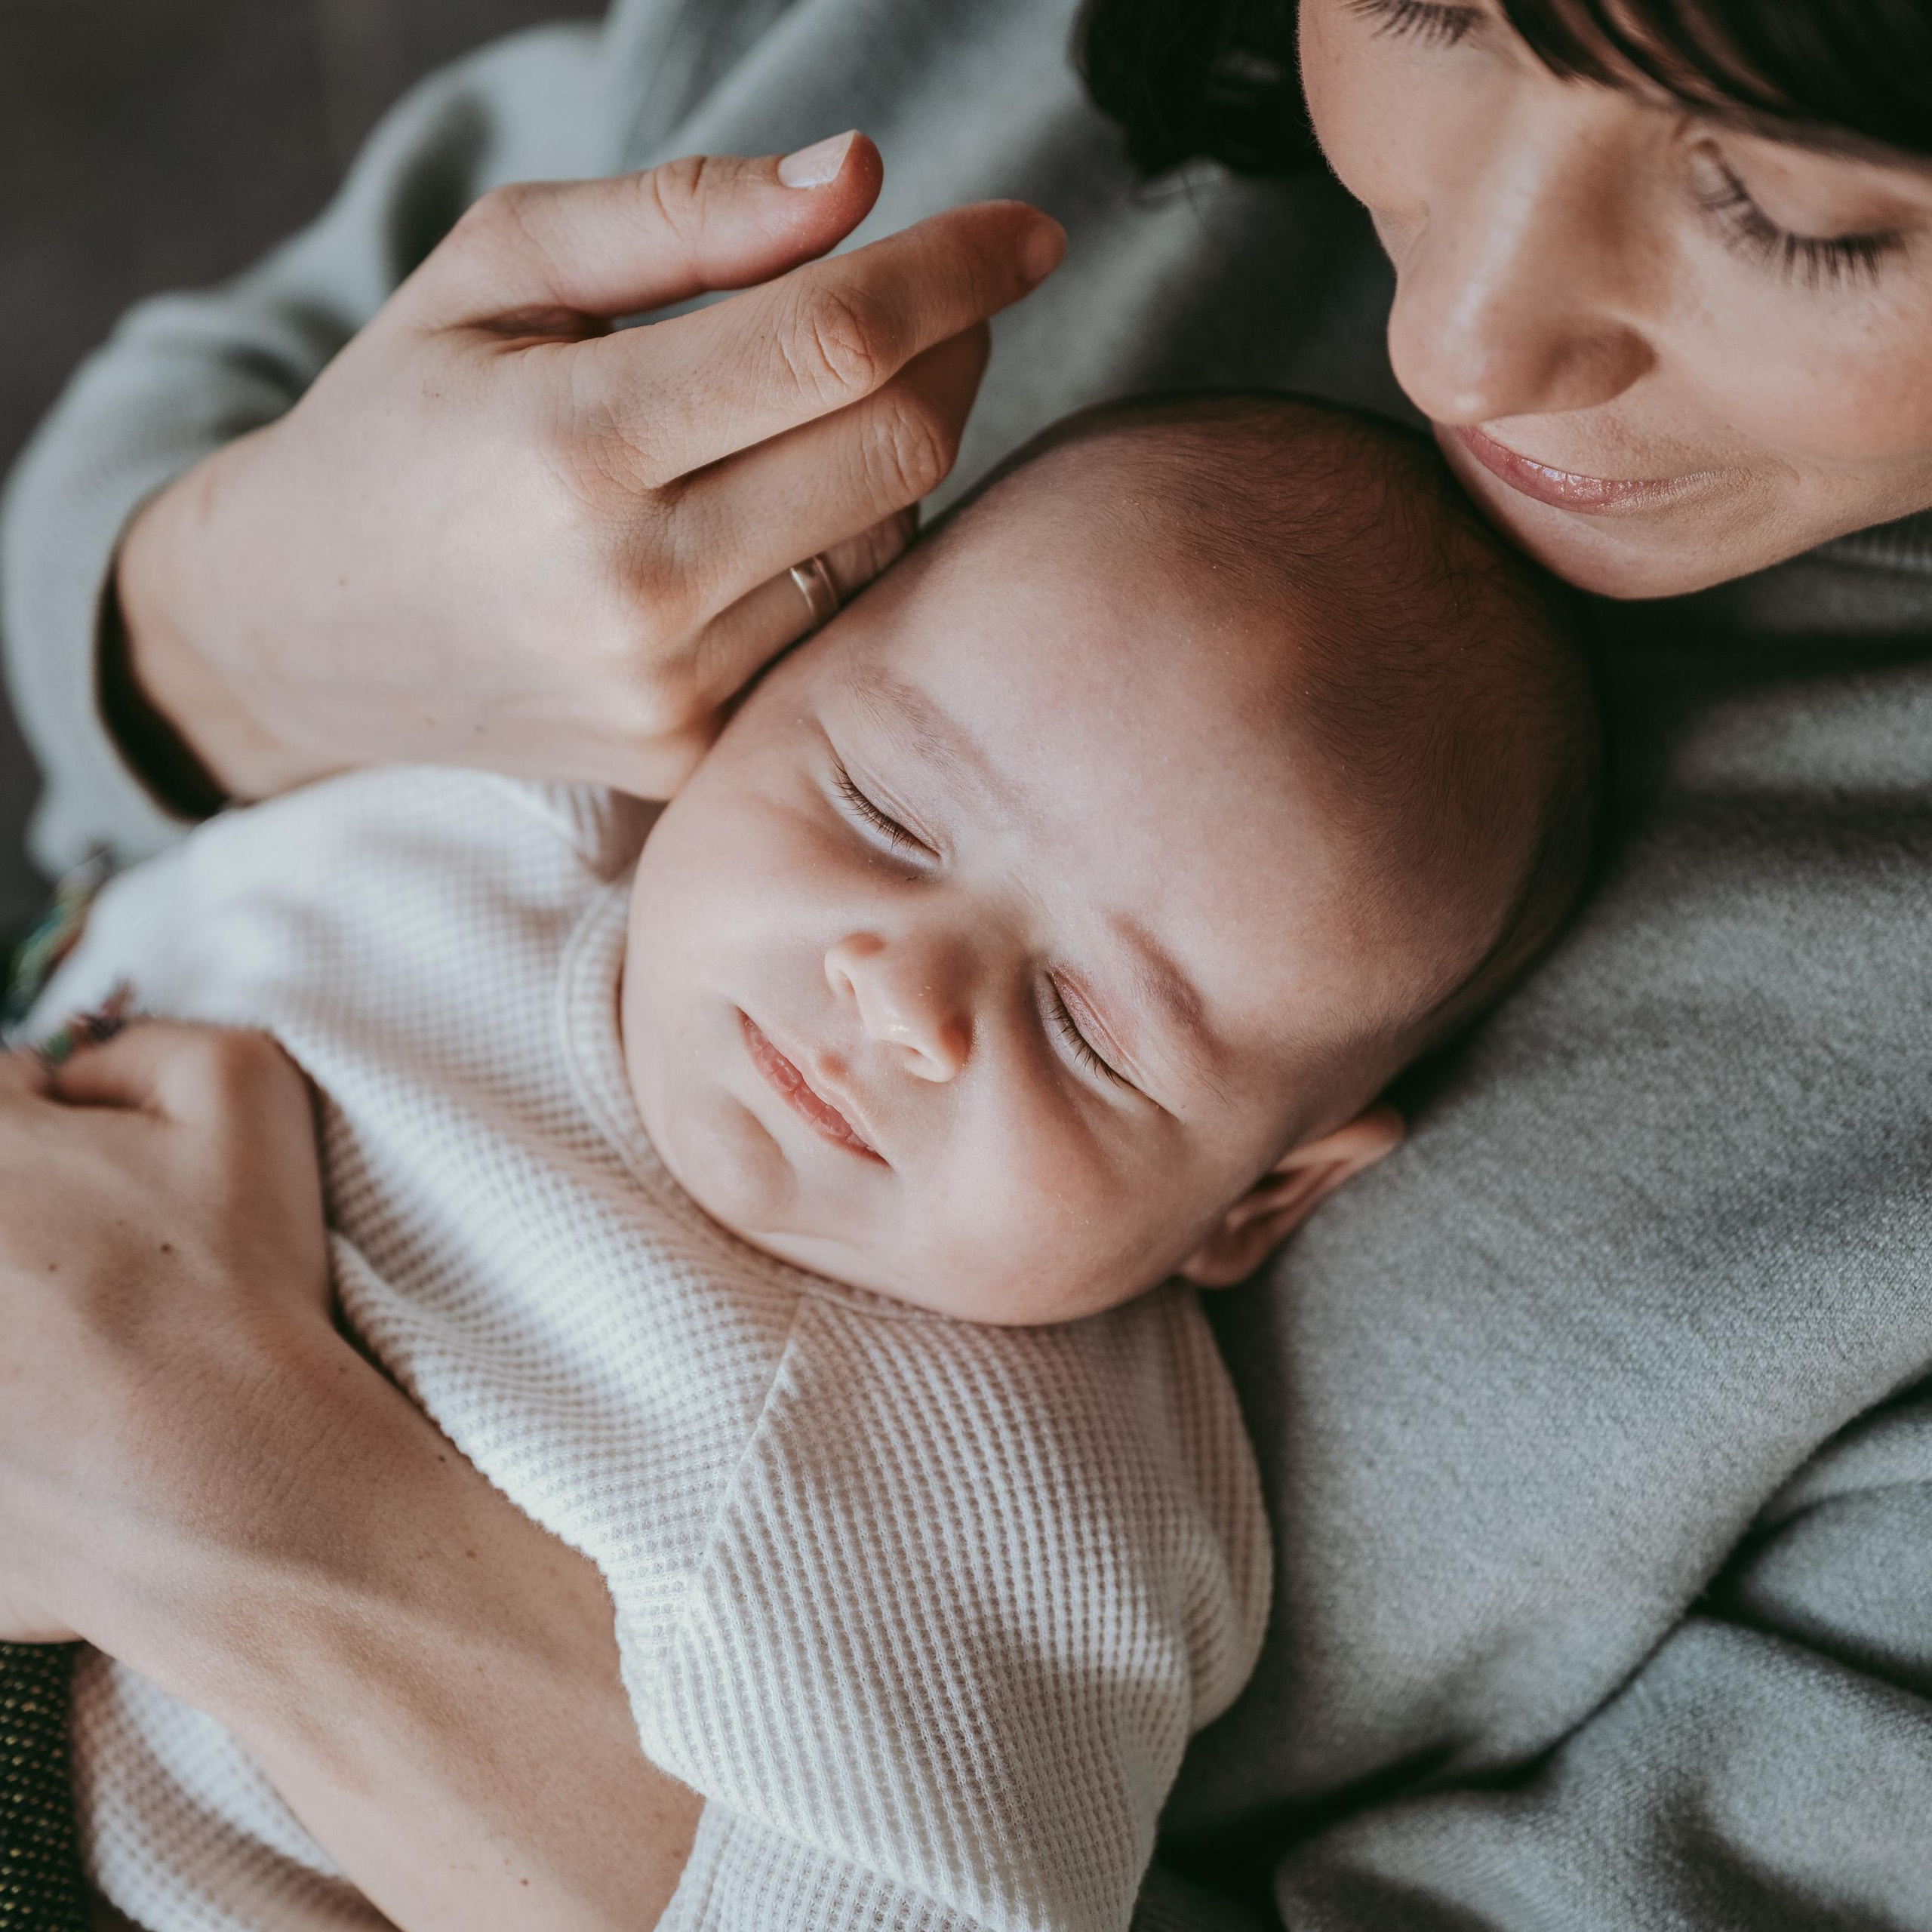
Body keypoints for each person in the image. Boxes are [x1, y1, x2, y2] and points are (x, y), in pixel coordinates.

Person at [1, 0, 1929, 1927]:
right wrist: (233, 629)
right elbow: (190, 452)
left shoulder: (1008, 1502)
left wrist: (229, 1502)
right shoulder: (553, 836)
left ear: (1258, 1191)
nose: (1462, 339)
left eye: (1793, 214)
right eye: (1430, 7)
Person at [23, 392, 1595, 1932]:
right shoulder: (526, 796)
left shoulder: (1003, 1486)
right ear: (766, 672)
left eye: (1094, 1032)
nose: (905, 998)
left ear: (1257, 1196)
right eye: (883, 815)